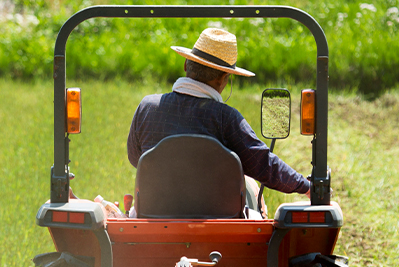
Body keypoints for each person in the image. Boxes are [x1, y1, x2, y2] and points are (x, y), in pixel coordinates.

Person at [127, 28, 310, 216]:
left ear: (185, 64)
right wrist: (306, 186)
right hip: (217, 221)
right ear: (224, 78)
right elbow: (263, 165)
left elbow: (136, 159)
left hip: (152, 216)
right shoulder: (226, 118)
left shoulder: (147, 107)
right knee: (257, 216)